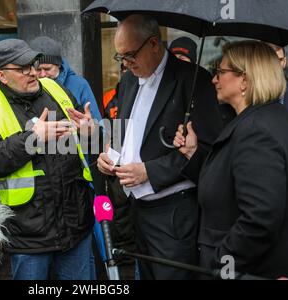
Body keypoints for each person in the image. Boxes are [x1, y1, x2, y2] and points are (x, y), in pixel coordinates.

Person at [97, 14, 223, 280]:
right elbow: (124, 126)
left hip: (173, 214)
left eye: (130, 55)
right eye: (120, 57)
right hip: (136, 211)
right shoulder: (130, 78)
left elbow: (209, 150)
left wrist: (150, 172)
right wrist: (109, 155)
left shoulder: (193, 79)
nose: (126, 63)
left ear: (154, 44)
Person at [174, 40, 288, 279]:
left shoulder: (258, 130)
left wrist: (221, 261)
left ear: (244, 80)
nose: (214, 79)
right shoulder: (261, 118)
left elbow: (260, 219)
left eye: (221, 72)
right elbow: (228, 180)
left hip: (250, 270)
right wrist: (193, 153)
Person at [0, 39, 97, 280]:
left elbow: (88, 139)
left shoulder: (56, 89)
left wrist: (92, 132)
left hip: (75, 225)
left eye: (32, 64)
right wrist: (33, 138)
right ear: (1, 75)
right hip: (29, 234)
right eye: (21, 68)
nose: (31, 72)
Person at [29, 36, 102, 122]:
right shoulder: (28, 86)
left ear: (59, 65)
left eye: (47, 69)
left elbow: (99, 126)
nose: (43, 74)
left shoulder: (79, 84)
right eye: (38, 70)